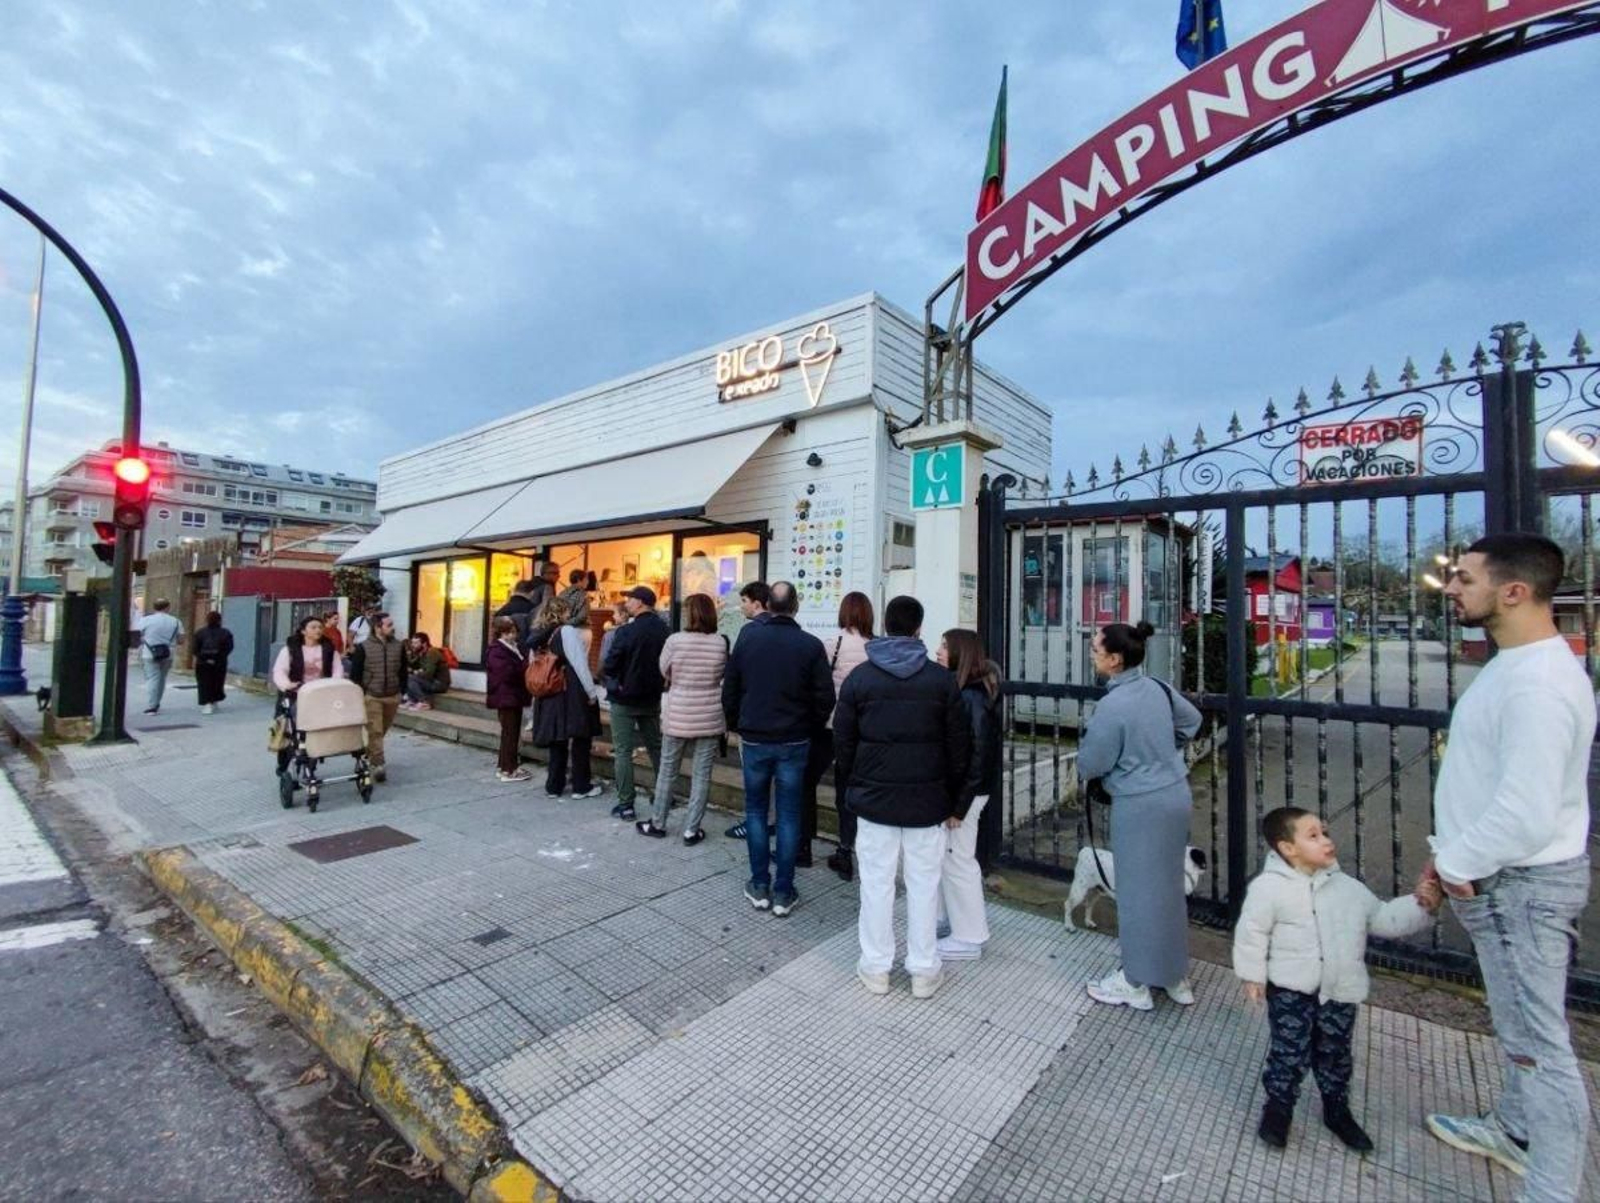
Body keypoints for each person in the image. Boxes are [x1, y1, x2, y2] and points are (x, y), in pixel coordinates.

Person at [1419, 533, 1596, 1199]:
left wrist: (1454, 860)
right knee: (1519, 1027)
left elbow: (1524, 811)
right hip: (1499, 880)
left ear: (1514, 591)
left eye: (1465, 578)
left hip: (1519, 887)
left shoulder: (1540, 686)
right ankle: (1513, 1127)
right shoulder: (1517, 664)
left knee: (1540, 1048)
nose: (1453, 588)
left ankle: (1550, 1188)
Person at [1236, 807, 1440, 1152]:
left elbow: (1385, 918)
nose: (1326, 841)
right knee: (1289, 1053)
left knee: (1335, 1054)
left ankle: (1336, 1109)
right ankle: (1279, 1108)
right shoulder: (1269, 889)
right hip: (1290, 990)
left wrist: (1422, 906)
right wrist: (1252, 974)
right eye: (1313, 835)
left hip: (1339, 991)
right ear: (1288, 848)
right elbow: (1251, 931)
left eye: (1325, 833)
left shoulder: (1348, 889)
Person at [834, 594, 968, 996]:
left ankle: (875, 967)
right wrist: (955, 801)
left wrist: (857, 783)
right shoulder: (941, 680)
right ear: (918, 629)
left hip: (874, 801)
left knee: (876, 885)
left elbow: (844, 742)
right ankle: (924, 970)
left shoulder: (860, 678)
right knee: (925, 885)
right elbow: (959, 746)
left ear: (886, 626)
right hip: (928, 804)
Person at [1075, 620, 1203, 1011]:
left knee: (1134, 893)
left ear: (1114, 660)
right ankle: (1174, 975)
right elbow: (1192, 722)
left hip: (1138, 803)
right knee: (1167, 889)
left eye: (1096, 650)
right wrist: (1164, 750)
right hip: (1174, 794)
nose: (1092, 654)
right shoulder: (1158, 688)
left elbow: (1091, 762)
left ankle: (1134, 981)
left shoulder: (1112, 705)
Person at [723, 581, 835, 917]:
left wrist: (737, 723)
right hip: (794, 740)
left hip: (755, 737)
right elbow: (825, 698)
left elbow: (731, 689)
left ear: (768, 605)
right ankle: (784, 890)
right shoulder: (810, 645)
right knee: (788, 814)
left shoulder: (748, 638)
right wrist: (809, 726)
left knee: (756, 811)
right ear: (796, 606)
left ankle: (759, 883)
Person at [934, 628, 1002, 962]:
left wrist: (958, 806)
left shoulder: (972, 698)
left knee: (959, 860)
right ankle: (953, 923)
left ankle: (969, 936)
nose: (938, 651)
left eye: (945, 646)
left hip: (967, 794)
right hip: (968, 792)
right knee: (953, 858)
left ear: (961, 653)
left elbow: (976, 756)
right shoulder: (973, 692)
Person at [639, 593, 727, 843]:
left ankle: (657, 823)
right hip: (710, 713)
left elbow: (663, 669)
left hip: (678, 712)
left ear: (689, 614)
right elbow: (721, 673)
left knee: (667, 770)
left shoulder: (675, 640)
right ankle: (691, 829)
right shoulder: (720, 642)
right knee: (702, 775)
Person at [601, 586, 668, 820]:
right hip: (652, 697)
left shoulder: (626, 631)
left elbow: (610, 664)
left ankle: (626, 804)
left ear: (640, 603)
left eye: (629, 599)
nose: (626, 603)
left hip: (624, 698)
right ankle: (664, 797)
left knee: (622, 751)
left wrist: (612, 680)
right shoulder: (664, 630)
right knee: (656, 747)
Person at [820, 592, 874, 881]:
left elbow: (821, 684)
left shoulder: (833, 644)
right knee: (863, 788)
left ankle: (844, 850)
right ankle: (864, 849)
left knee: (843, 790)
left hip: (836, 727)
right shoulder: (876, 647)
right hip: (868, 730)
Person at [528, 598, 603, 799]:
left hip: (548, 691)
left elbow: (534, 664)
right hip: (569, 688)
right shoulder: (566, 631)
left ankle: (554, 785)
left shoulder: (536, 635)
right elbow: (579, 663)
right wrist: (591, 692)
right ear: (563, 612)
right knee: (580, 737)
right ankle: (581, 785)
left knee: (557, 740)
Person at [724, 582, 775, 839]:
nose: (741, 606)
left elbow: (733, 679)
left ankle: (756, 824)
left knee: (755, 780)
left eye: (744, 601)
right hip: (783, 721)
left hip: (752, 719)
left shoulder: (748, 632)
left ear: (757, 603)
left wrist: (732, 720)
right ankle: (773, 820)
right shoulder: (786, 630)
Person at [271, 615, 344, 778]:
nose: (318, 630)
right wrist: (286, 684)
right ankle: (284, 766)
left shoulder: (328, 648)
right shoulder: (290, 649)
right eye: (313, 627)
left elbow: (337, 669)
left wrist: (334, 684)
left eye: (319, 627)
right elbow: (279, 671)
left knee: (314, 732)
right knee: (289, 732)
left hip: (319, 695)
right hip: (294, 695)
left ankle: (309, 766)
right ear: (304, 631)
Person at [348, 611, 405, 783]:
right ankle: (378, 764)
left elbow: (403, 669)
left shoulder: (399, 646)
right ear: (377, 627)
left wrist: (403, 689)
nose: (392, 627)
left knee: (382, 730)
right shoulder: (363, 647)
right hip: (372, 695)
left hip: (392, 695)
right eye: (388, 625)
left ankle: (369, 752)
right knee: (376, 731)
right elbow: (355, 674)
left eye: (392, 624)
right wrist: (360, 693)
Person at [484, 615, 532, 782]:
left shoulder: (509, 647)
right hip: (507, 697)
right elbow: (507, 673)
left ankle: (505, 766)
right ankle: (508, 770)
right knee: (510, 734)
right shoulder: (498, 650)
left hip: (511, 696)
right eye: (508, 633)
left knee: (510, 734)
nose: (512, 636)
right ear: (500, 633)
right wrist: (525, 666)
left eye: (513, 632)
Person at [136, 598, 184, 715]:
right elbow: (181, 640)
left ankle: (152, 705)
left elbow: (137, 635)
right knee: (162, 678)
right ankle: (157, 702)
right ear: (168, 607)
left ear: (154, 607)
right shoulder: (176, 621)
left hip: (149, 653)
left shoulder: (145, 620)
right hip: (168, 653)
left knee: (153, 678)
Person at [191, 611, 234, 715]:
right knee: (217, 682)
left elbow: (195, 649)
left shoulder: (200, 632)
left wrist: (204, 658)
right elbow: (229, 648)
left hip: (202, 662)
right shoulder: (226, 633)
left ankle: (207, 703)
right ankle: (214, 701)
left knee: (204, 683)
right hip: (219, 662)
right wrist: (219, 658)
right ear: (219, 620)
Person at [404, 632, 451, 709]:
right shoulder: (421, 653)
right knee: (407, 676)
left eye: (416, 643)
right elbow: (411, 664)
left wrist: (416, 672)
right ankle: (412, 700)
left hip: (439, 684)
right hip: (431, 681)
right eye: (412, 642)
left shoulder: (432, 652)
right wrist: (408, 654)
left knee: (411, 678)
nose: (413, 645)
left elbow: (428, 673)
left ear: (424, 644)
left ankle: (424, 702)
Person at [494, 579, 540, 644]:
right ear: (532, 593)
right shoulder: (534, 610)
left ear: (515, 591)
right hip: (524, 649)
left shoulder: (502, 611)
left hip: (503, 648)